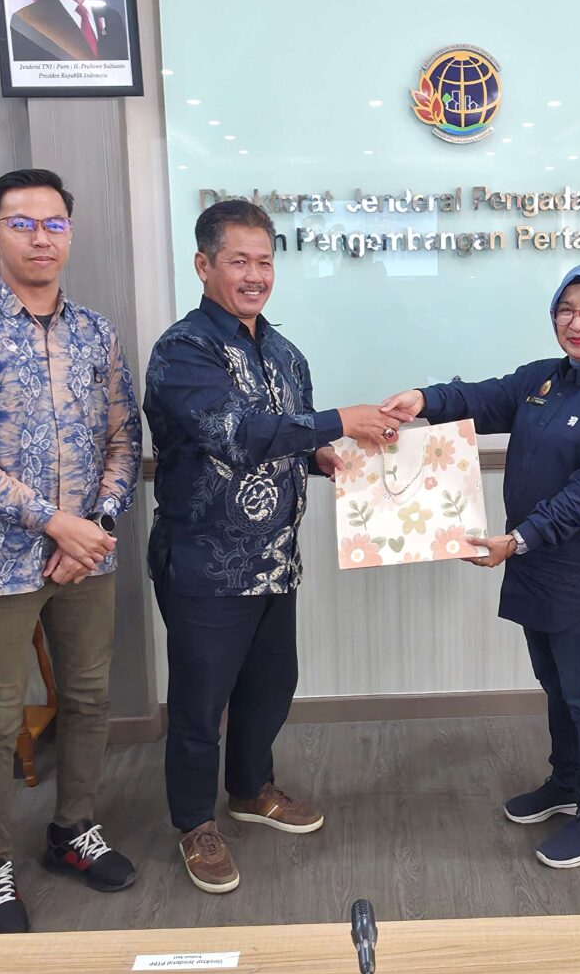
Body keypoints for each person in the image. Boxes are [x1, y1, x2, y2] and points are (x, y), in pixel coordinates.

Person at [143, 199, 402, 894]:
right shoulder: (183, 350)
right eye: (239, 261)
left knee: (270, 686)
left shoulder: (286, 354)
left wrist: (320, 454)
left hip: (275, 559)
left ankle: (250, 789)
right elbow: (235, 433)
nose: (255, 275)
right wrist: (342, 419)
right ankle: (195, 822)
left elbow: (287, 435)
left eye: (264, 261)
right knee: (200, 704)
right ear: (204, 265)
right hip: (204, 564)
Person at [0, 168, 141, 934]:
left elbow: (124, 436)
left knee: (87, 698)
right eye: (22, 223)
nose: (40, 237)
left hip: (89, 556)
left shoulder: (95, 332)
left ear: (69, 233)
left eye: (54, 223)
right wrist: (54, 523)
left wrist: (96, 525)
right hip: (0, 560)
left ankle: (73, 829)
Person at [382, 263, 580, 869]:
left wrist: (519, 539)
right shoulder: (543, 379)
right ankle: (566, 783)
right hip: (535, 565)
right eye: (566, 309)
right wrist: (424, 399)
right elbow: (481, 398)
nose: (578, 322)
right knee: (555, 684)